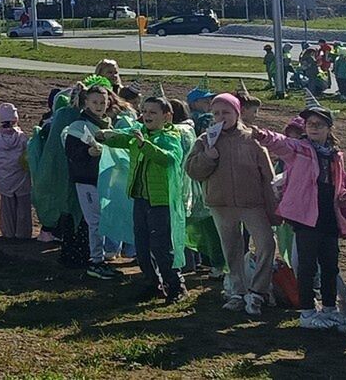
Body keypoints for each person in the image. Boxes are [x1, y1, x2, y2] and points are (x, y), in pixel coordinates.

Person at [254, 105, 346, 329]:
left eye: (318, 124)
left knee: (330, 265)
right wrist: (262, 134)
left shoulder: (335, 156)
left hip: (328, 216)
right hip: (306, 217)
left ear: (329, 128)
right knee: (307, 266)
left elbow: (341, 185)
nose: (313, 128)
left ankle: (330, 309)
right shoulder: (300, 149)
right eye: (309, 124)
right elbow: (281, 142)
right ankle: (307, 312)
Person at [186, 92, 278, 315]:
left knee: (266, 244)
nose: (220, 117)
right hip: (221, 204)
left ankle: (258, 290)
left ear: (237, 113)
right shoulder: (205, 139)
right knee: (232, 249)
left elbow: (268, 176)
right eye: (216, 113)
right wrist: (208, 157)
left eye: (225, 112)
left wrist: (273, 206)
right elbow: (192, 171)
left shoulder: (252, 139)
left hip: (252, 204)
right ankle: (237, 292)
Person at [99, 95, 191, 302]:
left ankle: (176, 287)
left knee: (161, 247)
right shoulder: (140, 134)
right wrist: (105, 136)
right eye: (144, 111)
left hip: (161, 202)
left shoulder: (171, 137)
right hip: (141, 199)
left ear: (166, 117)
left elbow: (168, 158)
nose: (146, 115)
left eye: (152, 112)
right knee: (141, 246)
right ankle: (153, 283)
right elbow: (122, 137)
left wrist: (144, 146)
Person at [67, 85, 115, 279]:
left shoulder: (108, 124)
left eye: (102, 102)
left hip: (104, 178)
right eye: (95, 102)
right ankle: (96, 261)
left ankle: (105, 255)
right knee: (94, 221)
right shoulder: (78, 127)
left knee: (105, 218)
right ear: (86, 102)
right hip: (86, 180)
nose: (99, 106)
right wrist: (87, 152)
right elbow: (71, 153)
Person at [0, 103, 33, 239]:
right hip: (21, 177)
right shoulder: (22, 137)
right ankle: (23, 233)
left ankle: (8, 232)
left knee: (7, 207)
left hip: (4, 177)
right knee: (23, 206)